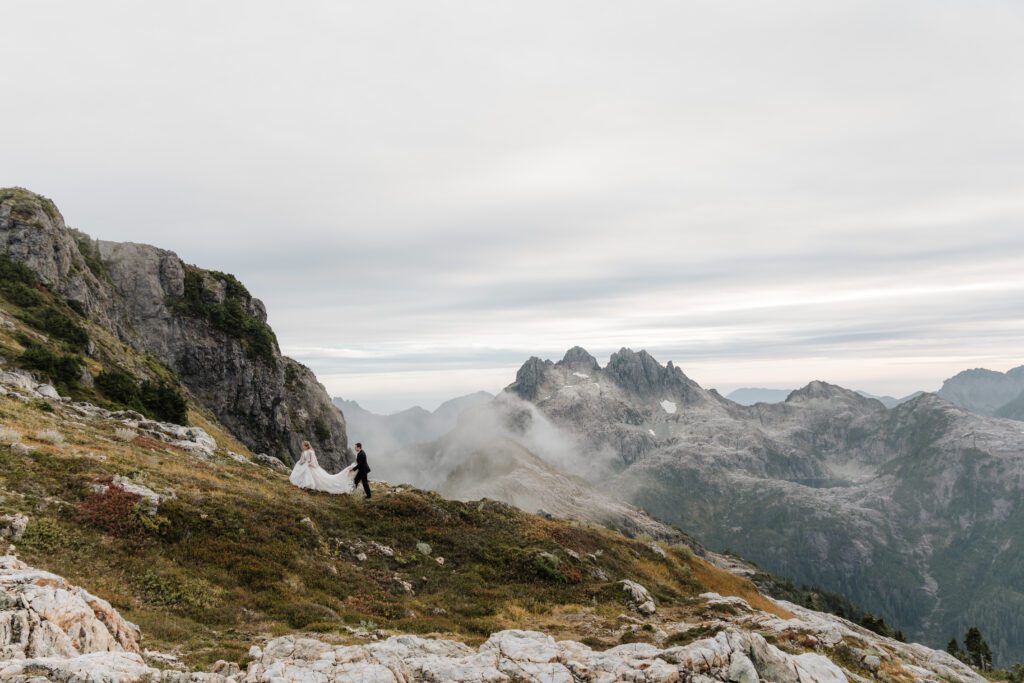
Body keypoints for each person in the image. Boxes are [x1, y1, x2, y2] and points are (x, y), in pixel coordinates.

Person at [289, 440, 357, 494]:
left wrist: (308, 464)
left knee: (318, 478)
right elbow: (303, 460)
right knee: (306, 475)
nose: (302, 447)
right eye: (302, 446)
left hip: (309, 466)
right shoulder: (305, 452)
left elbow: (311, 461)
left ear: (306, 446)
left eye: (303, 446)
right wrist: (301, 463)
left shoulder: (310, 452)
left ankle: (308, 486)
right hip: (307, 465)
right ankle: (305, 485)